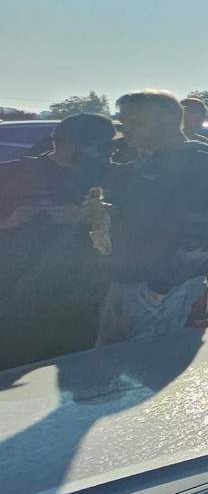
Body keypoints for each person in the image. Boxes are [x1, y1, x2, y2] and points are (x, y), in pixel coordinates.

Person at [91, 91, 208, 346]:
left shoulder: (200, 163)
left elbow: (202, 231)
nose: (125, 129)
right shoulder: (151, 160)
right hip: (128, 281)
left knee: (147, 364)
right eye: (123, 121)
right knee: (110, 361)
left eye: (134, 121)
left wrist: (159, 289)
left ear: (169, 120)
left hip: (165, 291)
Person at [0, 112, 114, 369]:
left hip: (79, 287)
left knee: (73, 360)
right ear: (70, 145)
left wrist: (88, 215)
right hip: (16, 287)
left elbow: (131, 215)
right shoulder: (14, 172)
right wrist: (7, 221)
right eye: (101, 146)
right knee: (15, 362)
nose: (108, 153)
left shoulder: (109, 175)